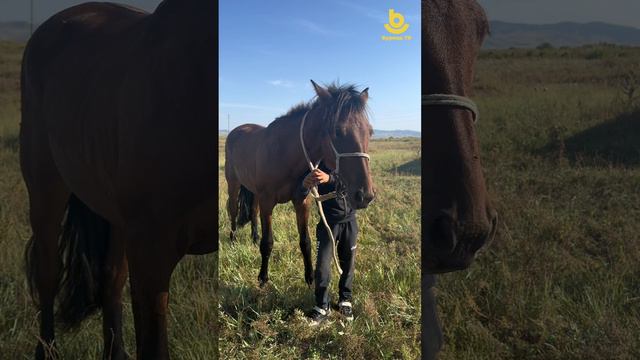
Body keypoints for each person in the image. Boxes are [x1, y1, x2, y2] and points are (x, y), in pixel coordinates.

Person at [300, 162, 358, 326]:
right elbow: (302, 193)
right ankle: (321, 306)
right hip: (327, 225)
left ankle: (345, 300)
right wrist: (305, 184)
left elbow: (353, 181)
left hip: (350, 222)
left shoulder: (347, 160)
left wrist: (329, 178)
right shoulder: (314, 165)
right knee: (322, 266)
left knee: (348, 262)